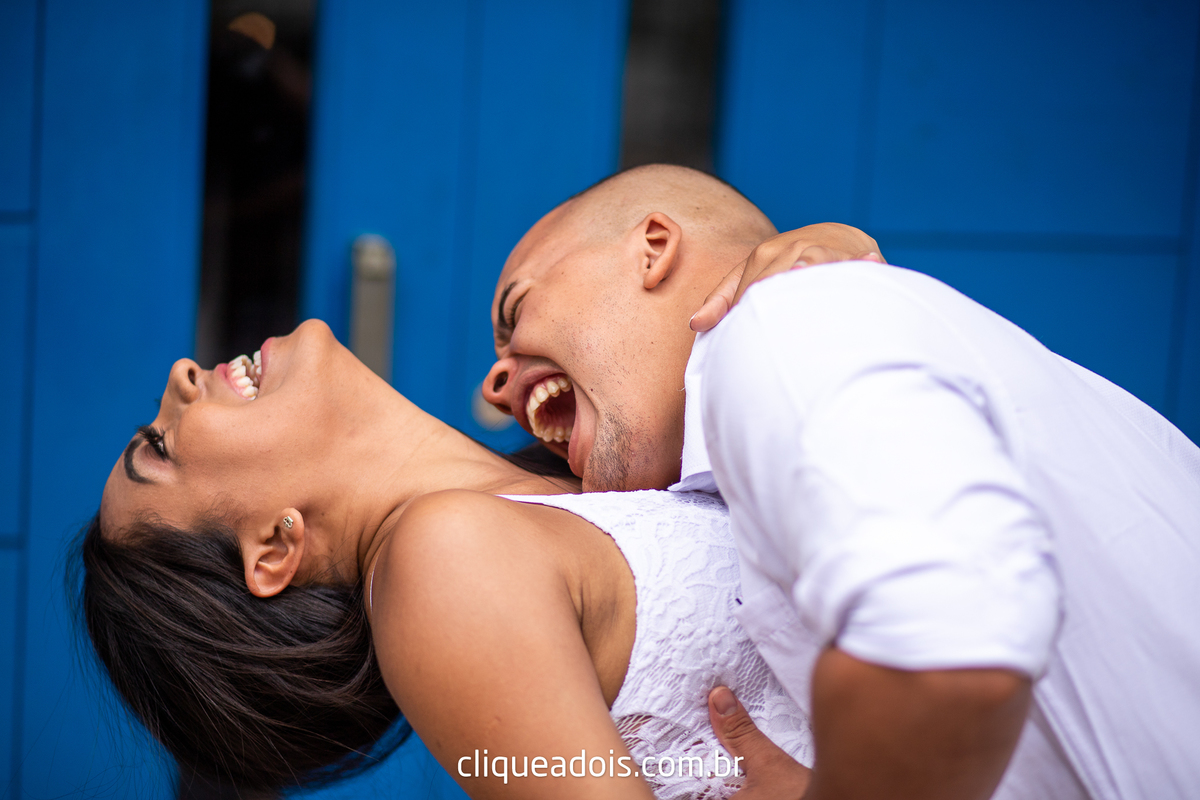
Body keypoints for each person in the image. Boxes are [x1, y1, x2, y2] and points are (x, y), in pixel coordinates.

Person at [482, 164, 1200, 799]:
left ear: (654, 248)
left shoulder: (785, 327)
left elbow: (945, 651)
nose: (496, 384)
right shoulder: (813, 354)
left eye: (515, 311)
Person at [80, 318, 818, 800]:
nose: (180, 374)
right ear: (275, 547)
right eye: (161, 447)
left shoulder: (577, 461)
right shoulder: (442, 564)